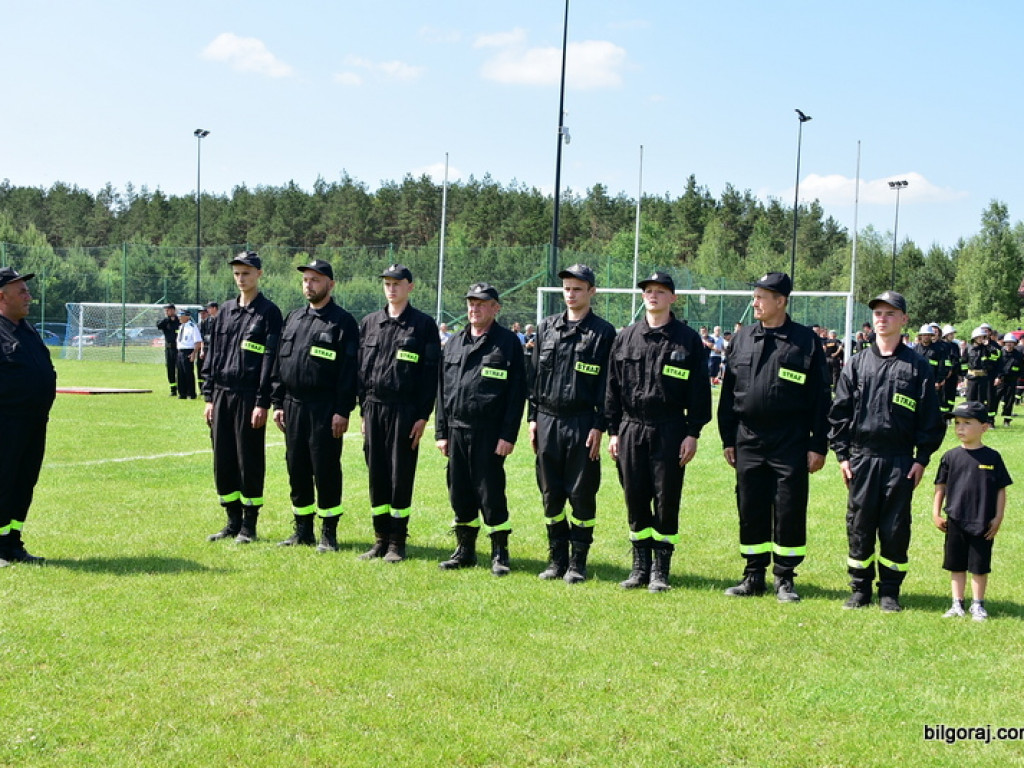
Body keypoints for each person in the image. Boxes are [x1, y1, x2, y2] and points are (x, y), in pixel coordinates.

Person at [717, 272, 830, 602]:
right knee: (749, 505)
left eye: (761, 297)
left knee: (788, 508)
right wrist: (728, 438)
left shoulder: (805, 341)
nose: (755, 302)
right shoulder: (742, 338)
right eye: (755, 296)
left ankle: (785, 578)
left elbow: (821, 398)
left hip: (789, 439)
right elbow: (728, 394)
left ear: (781, 301)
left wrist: (817, 444)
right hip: (748, 438)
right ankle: (753, 575)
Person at [829, 291, 944, 612]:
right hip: (861, 458)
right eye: (878, 313)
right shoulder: (856, 364)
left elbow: (931, 420)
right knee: (859, 523)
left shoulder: (917, 366)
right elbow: (839, 414)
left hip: (899, 460)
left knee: (895, 527)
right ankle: (860, 589)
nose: (882, 319)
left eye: (890, 313)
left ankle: (890, 591)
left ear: (904, 320)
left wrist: (921, 459)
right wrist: (842, 456)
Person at [606, 271, 712, 592]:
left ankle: (660, 570)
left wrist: (692, 432)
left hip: (669, 428)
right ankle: (640, 567)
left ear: (673, 298)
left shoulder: (687, 340)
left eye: (660, 291)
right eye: (648, 291)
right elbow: (611, 389)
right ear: (642, 297)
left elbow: (699, 392)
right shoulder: (625, 338)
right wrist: (613, 431)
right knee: (635, 497)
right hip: (631, 428)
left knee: (666, 499)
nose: (653, 295)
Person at [528, 264, 616, 583]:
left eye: (578, 288)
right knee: (550, 493)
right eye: (566, 288)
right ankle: (557, 558)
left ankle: (578, 561)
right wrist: (532, 418)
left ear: (591, 292)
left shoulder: (604, 333)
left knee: (581, 493)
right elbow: (534, 379)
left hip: (582, 423)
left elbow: (609, 384)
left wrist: (599, 425)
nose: (571, 294)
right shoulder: (546, 328)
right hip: (548, 420)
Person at [435, 282, 527, 576]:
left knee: (490, 492)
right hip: (457, 429)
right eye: (471, 303)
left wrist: (508, 435)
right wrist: (441, 432)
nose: (474, 308)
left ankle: (500, 552)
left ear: (495, 308)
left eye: (481, 304)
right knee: (459, 492)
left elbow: (516, 394)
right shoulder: (454, 342)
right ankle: (465, 550)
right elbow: (442, 390)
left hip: (489, 432)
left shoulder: (508, 343)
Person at [271, 259, 359, 553]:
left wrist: (342, 410)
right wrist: (278, 402)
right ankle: (302, 530)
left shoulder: (342, 322)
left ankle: (328, 533)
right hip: (293, 405)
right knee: (296, 467)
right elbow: (280, 362)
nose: (309, 285)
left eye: (316, 280)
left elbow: (349, 371)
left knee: (325, 469)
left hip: (325, 409)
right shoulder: (294, 318)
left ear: (330, 284)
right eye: (306, 280)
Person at [357, 264, 440, 562]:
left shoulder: (422, 325)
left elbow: (430, 375)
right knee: (376, 475)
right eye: (387, 283)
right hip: (374, 408)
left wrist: (422, 415)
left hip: (405, 411)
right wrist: (363, 411)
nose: (391, 289)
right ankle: (380, 539)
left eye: (397, 283)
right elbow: (360, 370)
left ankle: (397, 542)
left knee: (400, 475)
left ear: (410, 287)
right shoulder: (369, 323)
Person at [202, 251, 283, 544]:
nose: (241, 279)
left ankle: (249, 524)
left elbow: (270, 360)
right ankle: (231, 520)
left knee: (248, 458)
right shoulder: (224, 311)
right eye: (237, 273)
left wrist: (264, 401)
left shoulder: (269, 313)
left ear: (259, 274)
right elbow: (213, 355)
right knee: (222, 458)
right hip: (222, 394)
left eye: (246, 273)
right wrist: (209, 397)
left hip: (249, 397)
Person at [932, 401, 1011, 621]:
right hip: (955, 519)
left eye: (967, 423)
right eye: (957, 423)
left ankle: (978, 604)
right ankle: (957, 604)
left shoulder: (992, 458)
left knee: (979, 565)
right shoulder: (950, 456)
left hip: (982, 521)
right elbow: (941, 486)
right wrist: (936, 512)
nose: (960, 428)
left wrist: (998, 516)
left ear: (984, 427)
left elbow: (1000, 489)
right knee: (955, 564)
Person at [0, 268, 57, 566]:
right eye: (21, 291)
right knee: (3, 481)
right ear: (1, 296)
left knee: (23, 483)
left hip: (33, 423)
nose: (28, 296)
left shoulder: (27, 328)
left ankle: (12, 544)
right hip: (6, 424)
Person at [993, 332, 1023, 426]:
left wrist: (1018, 375)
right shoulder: (1000, 353)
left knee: (1009, 401)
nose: (1009, 344)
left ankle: (1007, 420)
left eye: (1011, 342)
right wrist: (997, 377)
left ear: (1015, 343)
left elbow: (1021, 367)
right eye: (1007, 342)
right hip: (1000, 380)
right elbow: (995, 367)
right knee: (995, 400)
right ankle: (991, 420)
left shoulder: (1018, 355)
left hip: (1012, 380)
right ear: (1004, 343)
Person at [175, 308, 202, 400]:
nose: (179, 318)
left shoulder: (192, 327)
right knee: (180, 373)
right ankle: (182, 393)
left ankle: (191, 393)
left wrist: (194, 353)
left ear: (187, 317)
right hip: (180, 351)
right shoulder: (181, 326)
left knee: (188, 373)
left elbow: (198, 342)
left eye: (181, 316)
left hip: (188, 351)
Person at [156, 303, 180, 396]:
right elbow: (158, 325)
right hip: (169, 349)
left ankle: (181, 388)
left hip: (178, 348)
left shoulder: (179, 321)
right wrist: (168, 319)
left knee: (180, 369)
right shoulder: (165, 322)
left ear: (173, 310)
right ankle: (173, 389)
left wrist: (175, 319)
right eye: (166, 310)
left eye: (168, 310)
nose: (167, 312)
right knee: (170, 368)